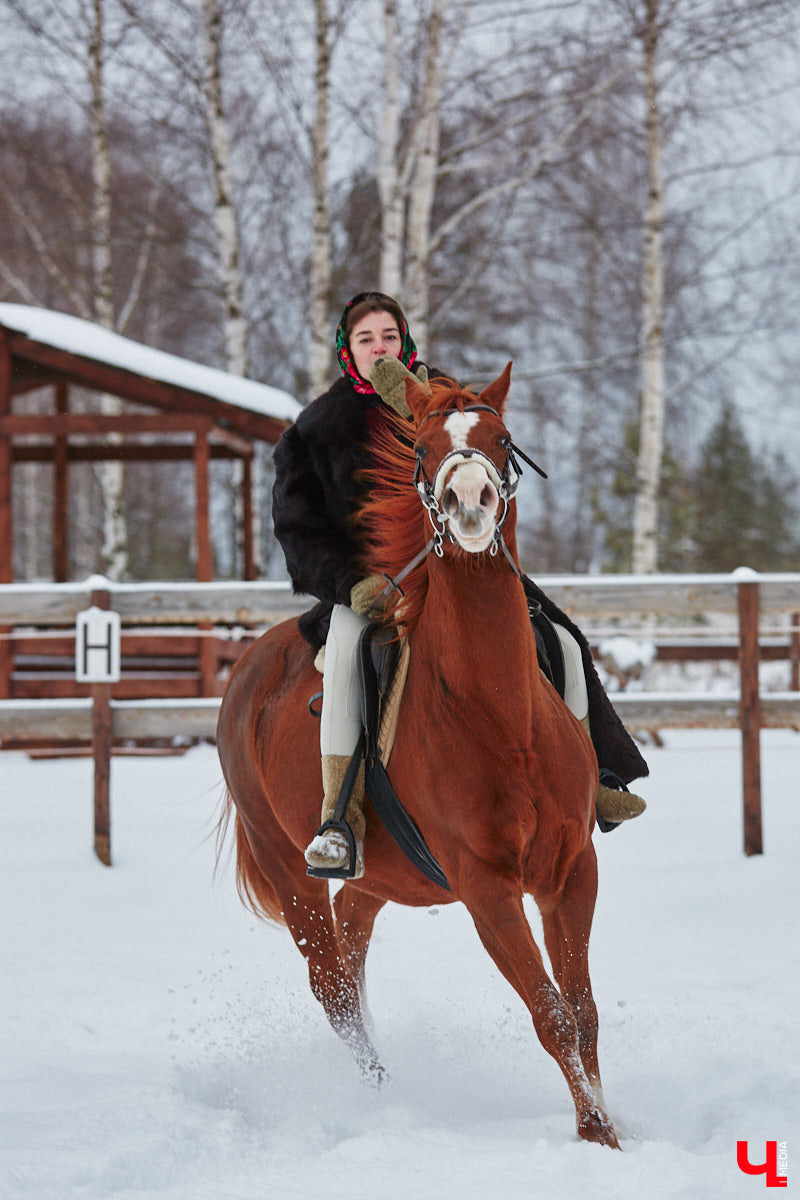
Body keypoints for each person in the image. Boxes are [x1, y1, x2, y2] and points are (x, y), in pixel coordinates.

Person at [272, 291, 647, 880]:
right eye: (366, 338)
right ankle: (339, 818)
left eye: (389, 337)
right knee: (346, 652)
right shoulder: (316, 429)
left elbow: (486, 461)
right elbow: (297, 527)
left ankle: (593, 780)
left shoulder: (447, 399)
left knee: (564, 641)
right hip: (373, 590)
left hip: (466, 573)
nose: (379, 348)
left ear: (405, 341)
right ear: (348, 350)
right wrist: (352, 584)